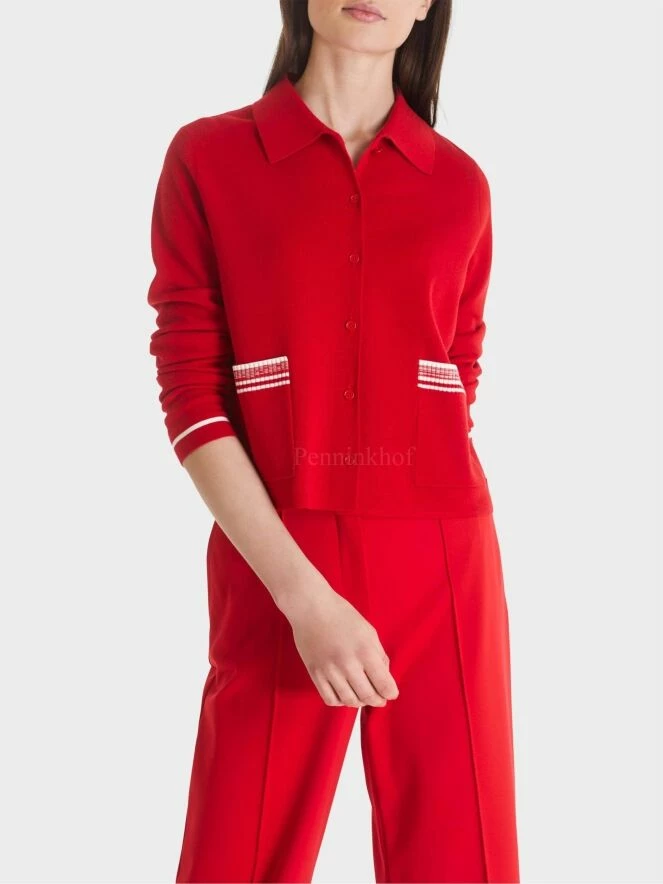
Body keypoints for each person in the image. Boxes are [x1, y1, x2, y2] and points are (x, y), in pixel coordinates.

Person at [146, 1, 520, 881]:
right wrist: (303, 597)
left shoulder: (459, 184)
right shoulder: (208, 157)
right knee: (235, 858)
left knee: (459, 859)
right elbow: (191, 391)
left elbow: (456, 372)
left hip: (442, 560)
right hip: (278, 551)